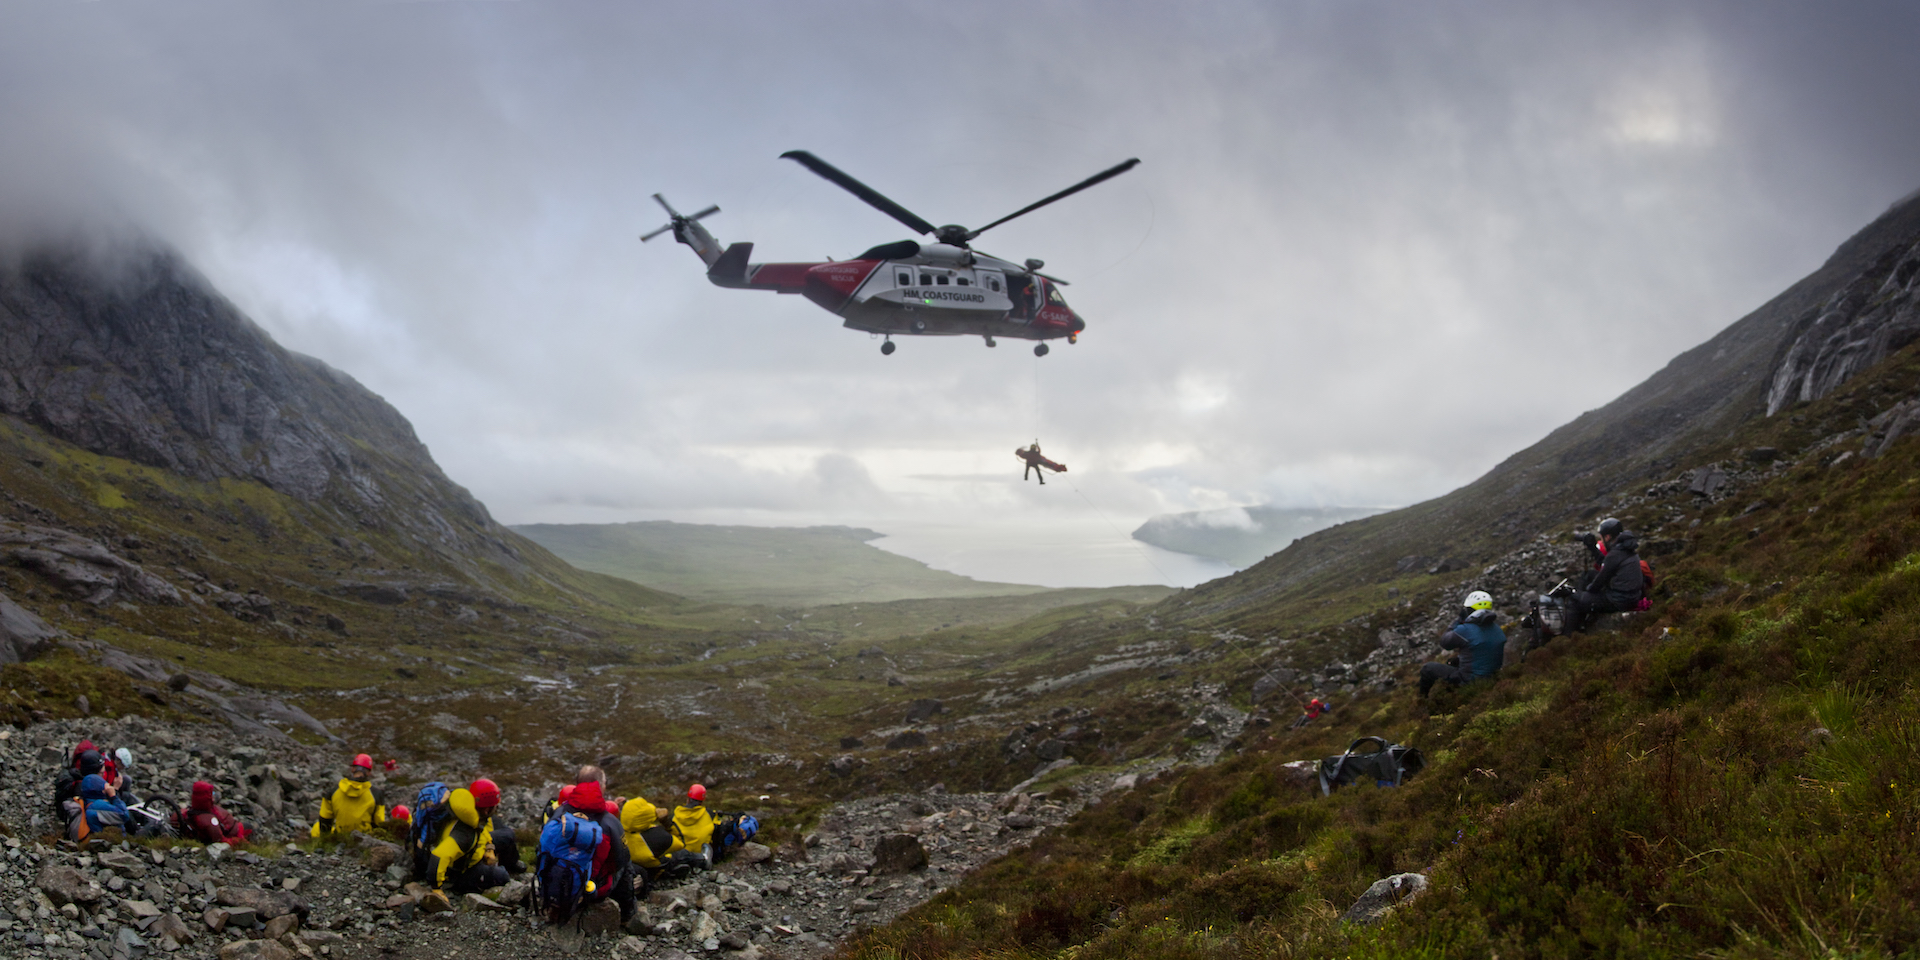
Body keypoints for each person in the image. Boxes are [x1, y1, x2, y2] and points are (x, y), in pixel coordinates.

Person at [559, 767, 635, 923]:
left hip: (557, 883)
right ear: (600, 787)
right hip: (590, 889)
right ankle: (628, 913)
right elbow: (621, 859)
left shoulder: (559, 813)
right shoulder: (610, 822)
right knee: (626, 865)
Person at [423, 779, 509, 907]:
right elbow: (439, 855)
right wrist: (436, 887)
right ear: (486, 810)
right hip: (459, 873)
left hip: (467, 856)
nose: (496, 809)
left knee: (507, 835)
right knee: (503, 876)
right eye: (494, 807)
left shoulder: (471, 816)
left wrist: (489, 848)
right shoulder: (465, 834)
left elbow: (482, 831)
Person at [1418, 591, 1507, 697]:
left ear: (1469, 610)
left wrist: (1458, 620)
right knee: (1454, 662)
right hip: (1491, 679)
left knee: (1427, 668)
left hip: (1468, 680)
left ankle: (1422, 701)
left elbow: (1445, 642)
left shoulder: (1465, 630)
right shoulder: (1497, 629)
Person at [1567, 522, 1645, 633]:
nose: (1602, 541)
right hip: (1630, 596)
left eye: (1602, 537)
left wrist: (1584, 595)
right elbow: (1606, 563)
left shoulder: (1615, 554)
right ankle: (1584, 617)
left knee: (1574, 600)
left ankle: (1571, 636)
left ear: (1607, 537)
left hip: (1619, 601)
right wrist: (1593, 548)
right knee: (1589, 575)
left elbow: (1599, 582)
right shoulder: (1626, 548)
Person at [311, 753, 388, 838]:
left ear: (352, 769)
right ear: (369, 773)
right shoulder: (376, 794)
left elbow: (325, 818)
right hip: (365, 840)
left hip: (339, 839)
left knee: (316, 826)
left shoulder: (333, 791)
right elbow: (379, 822)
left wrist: (325, 841)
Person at [619, 796, 675, 892]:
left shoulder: (620, 832)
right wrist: (666, 822)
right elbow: (680, 843)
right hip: (654, 867)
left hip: (633, 865)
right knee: (681, 855)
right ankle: (703, 859)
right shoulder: (658, 836)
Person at [177, 781, 249, 845]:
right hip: (234, 832)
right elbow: (220, 840)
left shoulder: (189, 812)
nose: (213, 797)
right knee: (249, 827)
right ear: (207, 797)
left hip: (231, 826)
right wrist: (239, 841)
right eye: (211, 794)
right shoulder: (209, 820)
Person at [72, 774, 129, 840]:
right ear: (101, 790)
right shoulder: (98, 805)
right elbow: (124, 814)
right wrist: (113, 796)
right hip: (112, 840)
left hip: (99, 838)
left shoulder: (88, 803)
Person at [669, 784, 717, 858]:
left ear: (688, 798)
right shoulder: (710, 814)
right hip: (705, 855)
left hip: (683, 857)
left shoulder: (674, 818)